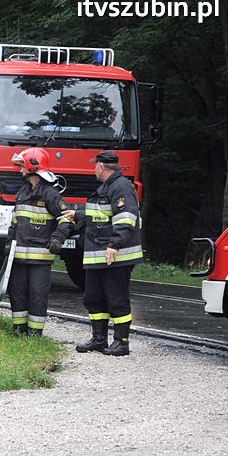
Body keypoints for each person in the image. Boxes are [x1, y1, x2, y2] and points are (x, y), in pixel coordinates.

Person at [64, 150, 143, 356]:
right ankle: (99, 339)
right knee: (94, 298)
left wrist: (114, 245)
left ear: (100, 166)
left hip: (114, 255)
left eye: (94, 166)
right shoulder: (106, 188)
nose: (94, 169)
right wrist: (78, 214)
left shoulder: (121, 187)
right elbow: (99, 215)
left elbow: (126, 218)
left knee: (116, 299)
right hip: (97, 254)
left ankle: (121, 342)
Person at [6, 148, 73, 336]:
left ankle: (35, 334)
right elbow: (15, 222)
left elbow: (67, 219)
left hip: (40, 260)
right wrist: (8, 243)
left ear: (32, 167)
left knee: (37, 295)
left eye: (22, 166)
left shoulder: (51, 195)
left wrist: (58, 238)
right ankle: (19, 329)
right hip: (18, 257)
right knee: (17, 293)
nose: (20, 170)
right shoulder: (22, 193)